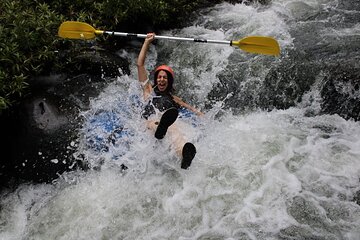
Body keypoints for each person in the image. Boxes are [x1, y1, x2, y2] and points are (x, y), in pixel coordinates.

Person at [137, 33, 203, 169]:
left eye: (165, 78)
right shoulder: (148, 90)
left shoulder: (173, 98)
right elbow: (140, 64)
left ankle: (184, 156)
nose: (162, 80)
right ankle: (160, 129)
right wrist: (146, 42)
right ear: (156, 79)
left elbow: (191, 109)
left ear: (169, 81)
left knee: (175, 131)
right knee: (155, 123)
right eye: (160, 77)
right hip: (149, 123)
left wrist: (202, 115)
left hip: (167, 123)